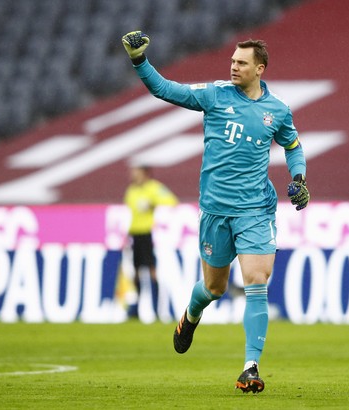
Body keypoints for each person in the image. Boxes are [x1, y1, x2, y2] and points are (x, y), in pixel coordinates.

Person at [122, 31, 310, 394]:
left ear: (260, 69)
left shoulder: (278, 111)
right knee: (214, 287)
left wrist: (299, 178)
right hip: (214, 211)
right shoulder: (215, 95)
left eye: (241, 63)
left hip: (255, 209)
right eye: (232, 61)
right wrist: (139, 61)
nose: (234, 66)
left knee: (256, 281)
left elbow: (293, 145)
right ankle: (191, 316)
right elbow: (165, 89)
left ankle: (250, 367)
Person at [124, 165, 179, 318]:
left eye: (137, 173)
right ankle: (135, 309)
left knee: (151, 271)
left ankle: (156, 309)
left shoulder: (153, 188)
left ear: (146, 174)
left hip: (147, 235)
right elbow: (129, 213)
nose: (134, 176)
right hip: (134, 234)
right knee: (135, 272)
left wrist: (153, 204)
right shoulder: (131, 191)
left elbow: (171, 200)